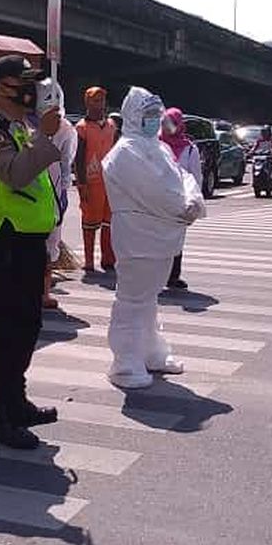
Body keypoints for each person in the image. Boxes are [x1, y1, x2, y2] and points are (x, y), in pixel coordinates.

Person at [0, 55, 62, 449]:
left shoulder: (20, 129)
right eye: (21, 82)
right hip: (4, 245)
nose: (30, 90)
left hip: (27, 245)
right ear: (0, 88)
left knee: (28, 327)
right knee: (2, 333)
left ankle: (17, 400)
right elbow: (15, 173)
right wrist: (44, 137)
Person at [102, 87, 204, 389]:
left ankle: (149, 351)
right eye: (146, 115)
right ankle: (125, 361)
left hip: (161, 235)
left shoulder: (155, 147)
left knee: (148, 298)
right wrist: (183, 204)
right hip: (138, 237)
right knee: (132, 299)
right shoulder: (124, 153)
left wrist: (191, 198)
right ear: (133, 117)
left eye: (154, 116)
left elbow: (182, 177)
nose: (153, 121)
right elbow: (156, 190)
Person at [42, 83, 78, 309]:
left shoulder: (66, 129)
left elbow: (67, 162)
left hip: (53, 191)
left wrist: (63, 188)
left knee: (49, 242)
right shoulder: (23, 125)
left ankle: (43, 292)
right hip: (27, 191)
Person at [75, 86, 117, 273]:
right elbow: (78, 157)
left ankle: (108, 258)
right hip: (91, 182)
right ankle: (89, 260)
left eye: (101, 100)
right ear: (87, 102)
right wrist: (81, 183)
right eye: (95, 100)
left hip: (110, 181)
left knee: (109, 222)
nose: (99, 104)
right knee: (90, 223)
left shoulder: (111, 126)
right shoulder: (82, 128)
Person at [160, 107, 202, 291]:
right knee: (157, 240)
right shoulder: (155, 145)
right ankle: (157, 275)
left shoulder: (190, 150)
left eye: (171, 123)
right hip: (158, 201)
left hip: (179, 202)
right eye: (165, 123)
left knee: (176, 241)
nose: (168, 127)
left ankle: (173, 276)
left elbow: (195, 178)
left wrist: (193, 204)